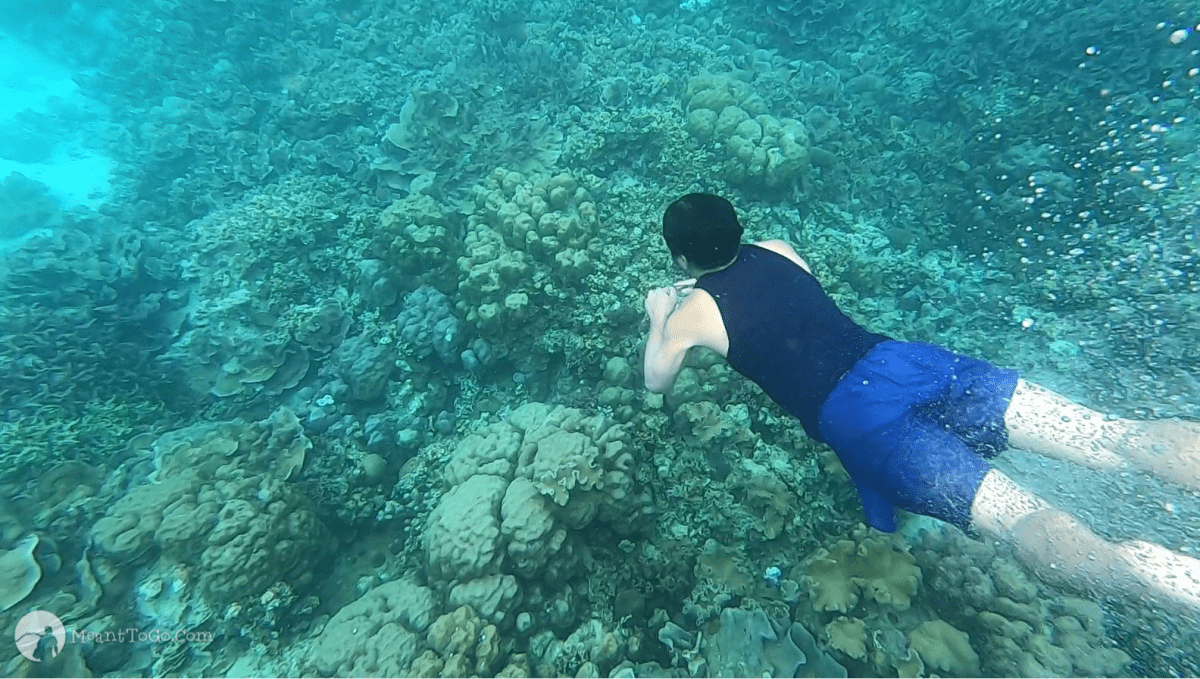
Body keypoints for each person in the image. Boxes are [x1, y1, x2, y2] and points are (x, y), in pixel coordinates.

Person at [642, 192, 1200, 612]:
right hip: (907, 363)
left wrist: (659, 315)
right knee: (1109, 435)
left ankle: (1166, 580)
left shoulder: (690, 317)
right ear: (741, 230)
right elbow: (774, 303)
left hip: (859, 419)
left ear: (680, 257)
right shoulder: (779, 249)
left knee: (1021, 519)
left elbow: (657, 382)